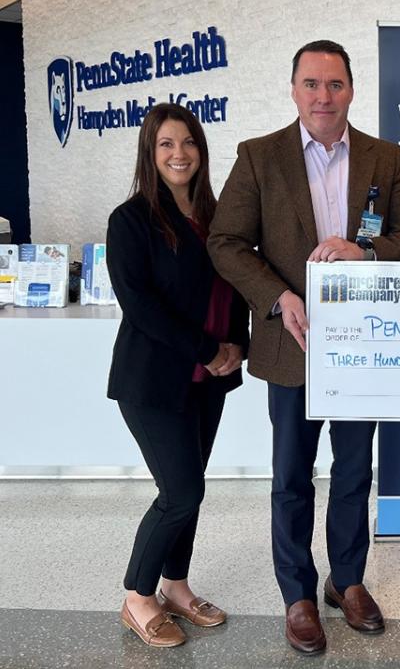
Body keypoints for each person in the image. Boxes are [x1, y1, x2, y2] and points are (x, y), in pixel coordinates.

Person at [207, 40, 400, 654]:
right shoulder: (259, 157)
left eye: (334, 84)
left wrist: (367, 251)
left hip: (364, 347)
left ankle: (348, 582)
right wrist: (280, 298)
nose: (323, 96)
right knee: (291, 475)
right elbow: (226, 242)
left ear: (352, 90)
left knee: (356, 470)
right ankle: (297, 594)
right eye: (311, 84)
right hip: (291, 342)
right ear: (294, 90)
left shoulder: (384, 159)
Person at [107, 103, 248, 648]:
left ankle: (176, 586)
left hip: (208, 378)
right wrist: (207, 347)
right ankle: (138, 597)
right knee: (180, 490)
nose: (179, 153)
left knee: (192, 487)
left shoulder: (219, 216)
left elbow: (234, 282)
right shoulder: (132, 220)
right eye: (166, 144)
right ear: (150, 152)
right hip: (153, 381)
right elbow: (139, 305)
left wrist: (236, 346)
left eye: (188, 142)